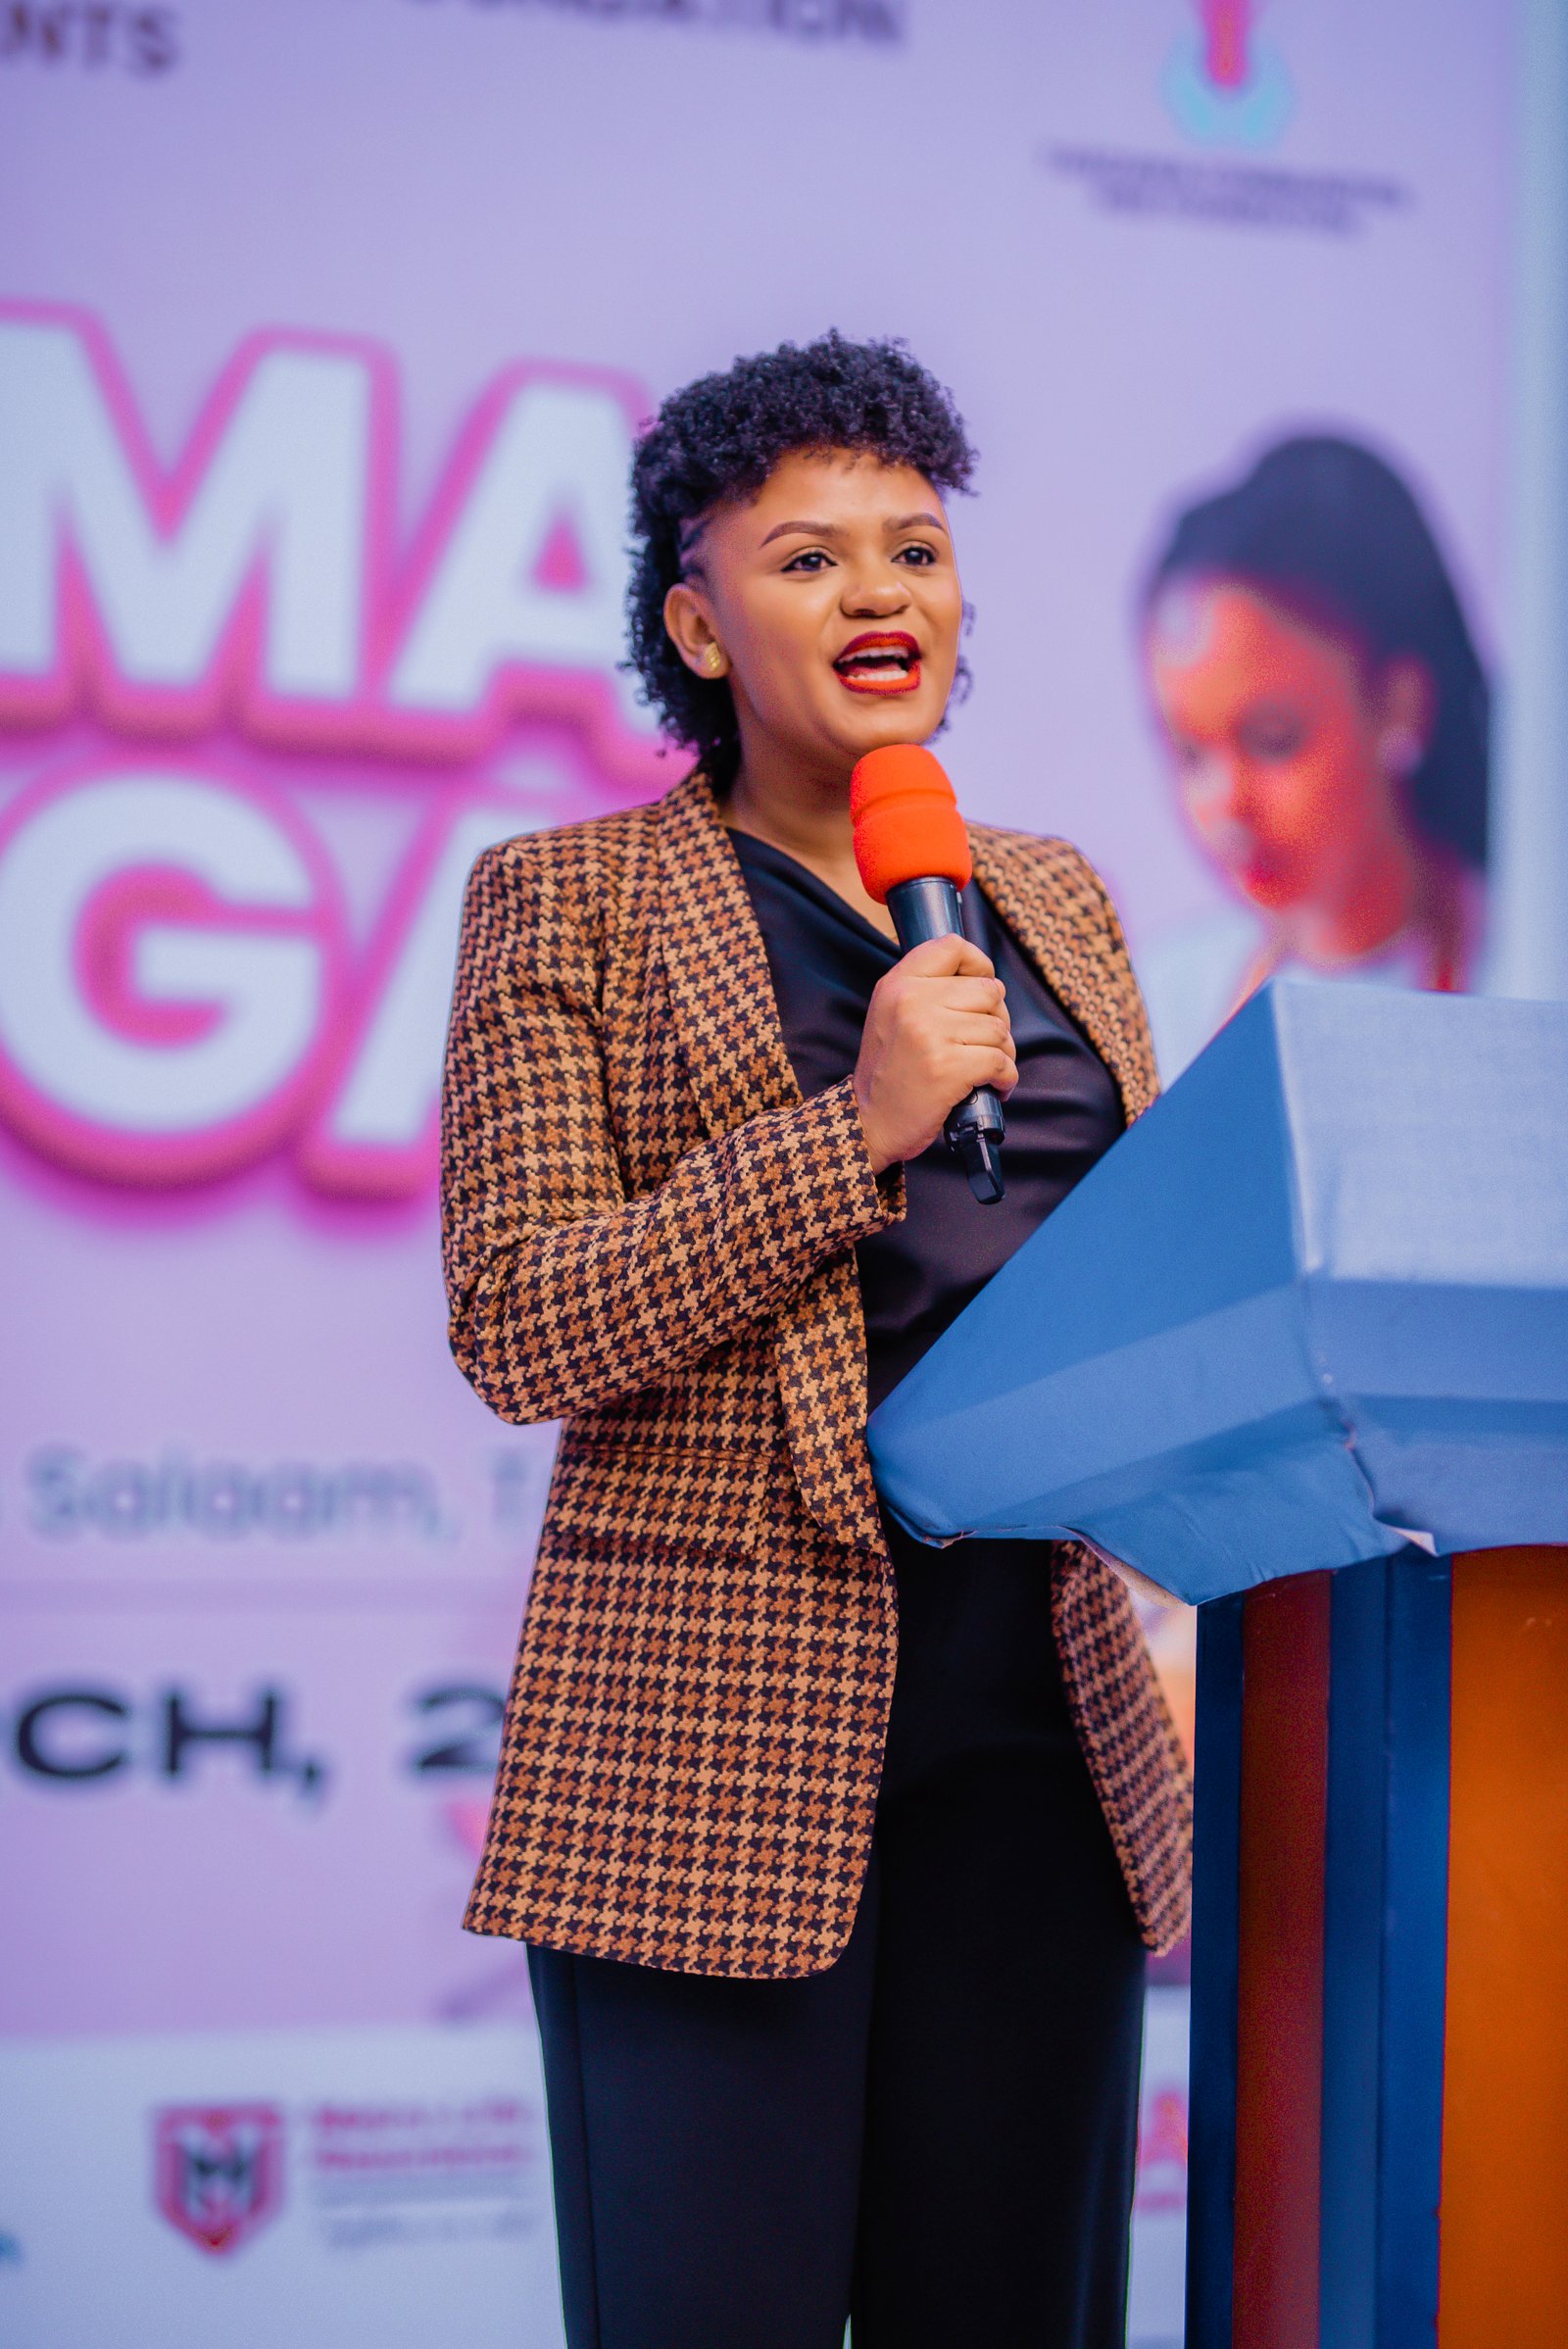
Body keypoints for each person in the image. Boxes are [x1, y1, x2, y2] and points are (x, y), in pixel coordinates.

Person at [441, 331, 1192, 2349]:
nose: (878, 594)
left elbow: (1131, 1276)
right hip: (706, 1729)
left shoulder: (1042, 893)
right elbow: (518, 1315)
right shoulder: (567, 899)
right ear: (693, 622)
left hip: (1037, 1717)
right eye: (805, 559)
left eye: (914, 548)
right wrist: (848, 1129)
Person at [1136, 434, 1492, 1081]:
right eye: (1191, 755)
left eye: (1274, 738)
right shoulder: (1164, 1008)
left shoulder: (1527, 962)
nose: (1226, 803)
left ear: (1399, 703)